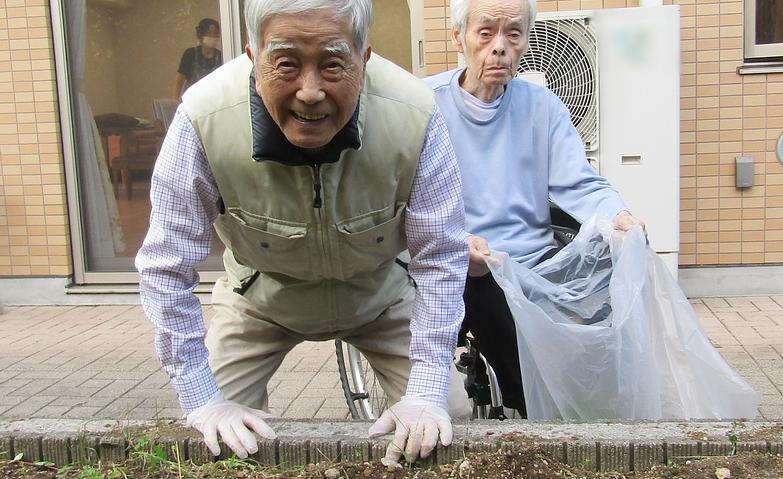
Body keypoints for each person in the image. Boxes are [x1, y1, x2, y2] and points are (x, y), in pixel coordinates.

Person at [136, 0, 469, 466]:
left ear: (364, 58)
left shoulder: (414, 114)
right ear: (253, 56)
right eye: (286, 63)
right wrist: (201, 397)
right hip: (261, 299)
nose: (310, 93)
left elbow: (441, 255)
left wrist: (428, 389)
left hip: (381, 295)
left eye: (333, 64)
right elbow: (165, 267)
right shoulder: (203, 118)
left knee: (449, 417)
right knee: (211, 440)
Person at [425, 0, 645, 417]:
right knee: (492, 302)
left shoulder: (542, 107)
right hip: (456, 258)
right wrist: (455, 241)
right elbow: (402, 196)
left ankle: (595, 405)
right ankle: (534, 414)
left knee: (608, 288)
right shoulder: (425, 104)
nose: (499, 47)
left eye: (513, 33)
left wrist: (618, 217)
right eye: (485, 32)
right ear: (458, 37)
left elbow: (578, 181)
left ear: (526, 41)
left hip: (532, 260)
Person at [173, 18, 223, 101]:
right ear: (200, 35)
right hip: (192, 100)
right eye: (209, 34)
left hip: (214, 101)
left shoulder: (222, 56)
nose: (212, 37)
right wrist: (176, 101)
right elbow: (179, 81)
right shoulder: (190, 54)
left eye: (215, 34)